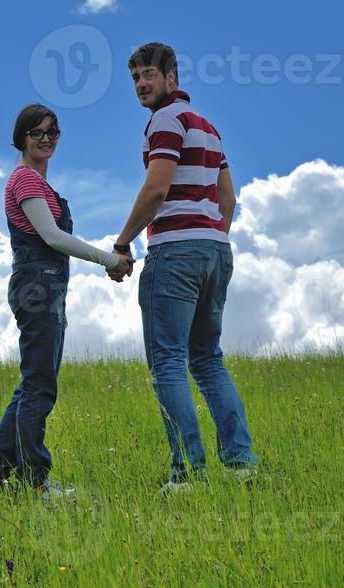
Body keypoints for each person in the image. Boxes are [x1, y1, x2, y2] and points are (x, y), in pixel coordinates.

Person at [107, 42, 259, 491]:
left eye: (149, 75)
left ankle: (188, 475)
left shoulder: (165, 121)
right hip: (216, 251)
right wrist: (213, 235)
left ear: (172, 78)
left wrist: (121, 243)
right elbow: (227, 197)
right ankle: (240, 464)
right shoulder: (208, 127)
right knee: (208, 360)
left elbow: (156, 190)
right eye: (135, 78)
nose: (141, 85)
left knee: (169, 363)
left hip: (175, 253)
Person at [0, 103, 130, 499]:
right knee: (39, 387)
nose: (45, 139)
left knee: (33, 384)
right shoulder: (25, 181)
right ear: (20, 139)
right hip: (37, 286)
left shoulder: (42, 186)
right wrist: (110, 260)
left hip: (47, 288)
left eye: (52, 132)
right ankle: (34, 482)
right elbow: (52, 237)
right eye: (36, 133)